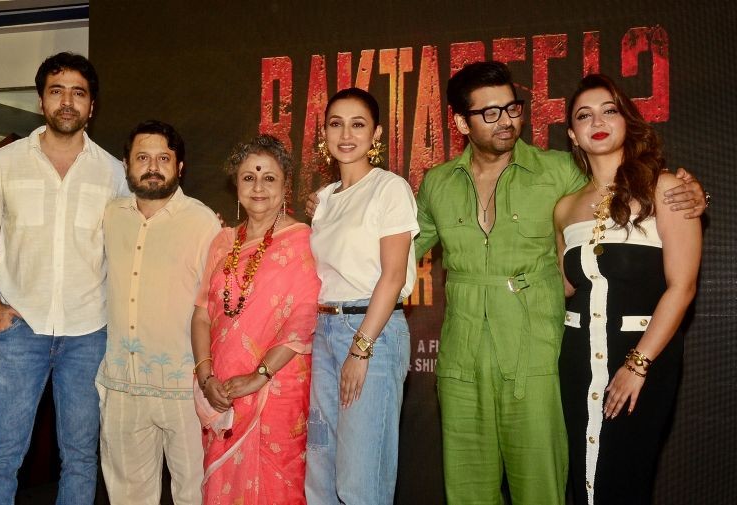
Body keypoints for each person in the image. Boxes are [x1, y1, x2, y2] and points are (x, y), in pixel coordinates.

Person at [412, 61, 706, 505]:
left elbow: (625, 182)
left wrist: (694, 193)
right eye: (489, 112)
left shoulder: (558, 173)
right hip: (473, 358)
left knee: (556, 487)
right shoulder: (438, 184)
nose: (505, 120)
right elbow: (397, 251)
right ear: (461, 123)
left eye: (512, 108)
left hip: (537, 356)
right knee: (475, 489)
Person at [0, 52, 128, 504]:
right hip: (19, 330)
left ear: (92, 105)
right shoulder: (3, 163)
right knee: (1, 457)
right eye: (57, 91)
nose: (67, 102)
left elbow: (133, 243)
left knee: (80, 459)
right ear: (41, 101)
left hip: (89, 334)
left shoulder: (113, 172)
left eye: (78, 93)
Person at [555, 74, 701, 505]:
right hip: (576, 361)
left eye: (609, 110)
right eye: (584, 115)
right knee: (581, 480)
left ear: (627, 121)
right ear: (572, 135)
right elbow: (565, 288)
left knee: (624, 480)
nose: (597, 121)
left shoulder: (666, 189)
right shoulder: (564, 208)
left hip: (642, 360)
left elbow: (682, 287)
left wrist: (637, 364)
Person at [191, 134, 320, 505]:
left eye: (269, 178)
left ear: (285, 185)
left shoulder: (304, 241)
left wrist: (259, 375)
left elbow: (302, 318)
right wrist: (206, 377)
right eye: (249, 177)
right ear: (236, 185)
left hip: (277, 388)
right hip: (222, 390)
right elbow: (202, 314)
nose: (258, 187)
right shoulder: (222, 241)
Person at [96, 120, 220, 504]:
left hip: (186, 387)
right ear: (126, 165)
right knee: (127, 496)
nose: (153, 167)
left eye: (163, 158)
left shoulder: (203, 222)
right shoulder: (110, 215)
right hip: (121, 383)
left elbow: (217, 306)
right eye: (142, 158)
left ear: (179, 166)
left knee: (195, 494)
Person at [305, 88, 419, 505]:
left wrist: (361, 347)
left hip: (371, 330)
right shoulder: (323, 200)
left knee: (360, 483)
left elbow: (392, 276)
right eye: (336, 124)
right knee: (320, 476)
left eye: (358, 124)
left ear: (376, 134)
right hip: (324, 330)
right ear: (324, 132)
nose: (346, 134)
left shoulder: (389, 188)